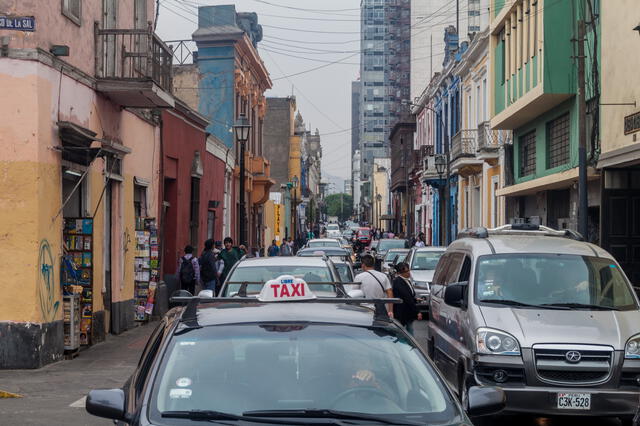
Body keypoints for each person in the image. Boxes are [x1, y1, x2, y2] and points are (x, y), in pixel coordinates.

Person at [392, 262, 421, 335]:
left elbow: (409, 295)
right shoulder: (398, 282)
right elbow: (407, 297)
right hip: (402, 313)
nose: (409, 273)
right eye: (406, 271)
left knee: (409, 330)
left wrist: (415, 299)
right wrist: (417, 311)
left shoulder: (406, 280)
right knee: (405, 333)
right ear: (400, 273)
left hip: (408, 313)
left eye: (409, 270)